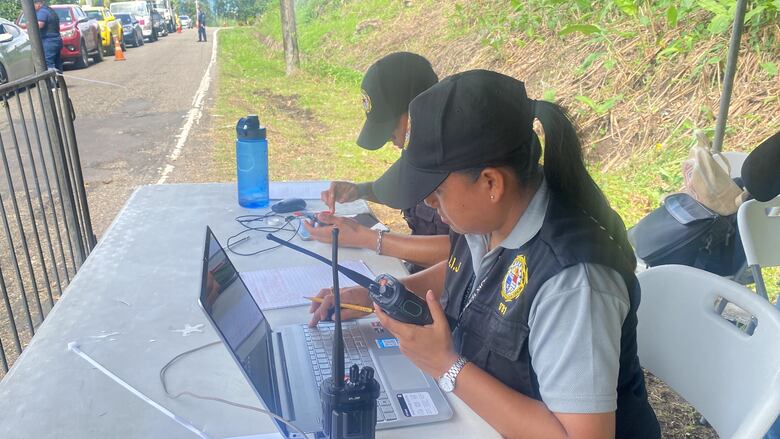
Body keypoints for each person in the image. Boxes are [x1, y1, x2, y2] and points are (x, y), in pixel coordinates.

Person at [309, 70, 660, 438]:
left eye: (437, 190)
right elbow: (463, 273)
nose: (428, 201)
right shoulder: (488, 221)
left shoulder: (574, 285)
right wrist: (379, 295)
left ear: (491, 183)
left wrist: (447, 366)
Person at [305, 52, 450, 272]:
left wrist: (365, 238)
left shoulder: (458, 160)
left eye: (391, 130)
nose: (392, 142)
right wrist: (360, 191)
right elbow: (400, 189)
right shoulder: (419, 148)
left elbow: (462, 254)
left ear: (417, 108)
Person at [34, 0, 63, 72]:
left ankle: (52, 82)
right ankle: (59, 82)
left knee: (48, 64)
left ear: (38, 4)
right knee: (57, 64)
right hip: (56, 39)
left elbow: (40, 24)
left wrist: (27, 26)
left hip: (48, 41)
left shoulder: (42, 11)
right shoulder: (50, 10)